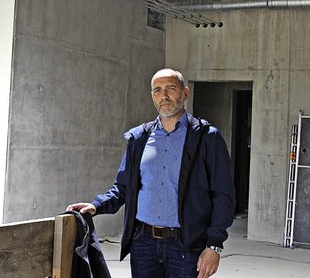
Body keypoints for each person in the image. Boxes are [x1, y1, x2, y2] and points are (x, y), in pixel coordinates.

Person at [67, 68, 235, 278]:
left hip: (187, 247)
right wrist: (96, 205)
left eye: (170, 88)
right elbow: (123, 187)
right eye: (157, 90)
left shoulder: (207, 138)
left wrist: (214, 246)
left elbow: (223, 195)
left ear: (185, 92)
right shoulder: (139, 138)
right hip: (143, 245)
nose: (164, 96)